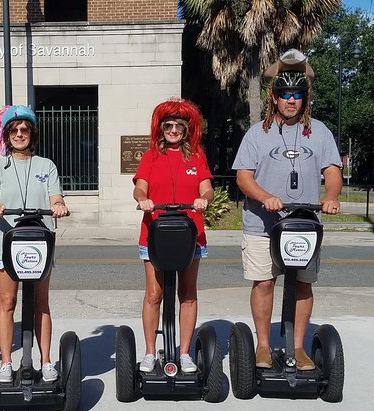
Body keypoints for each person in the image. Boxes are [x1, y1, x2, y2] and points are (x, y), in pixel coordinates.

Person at [231, 49, 342, 370]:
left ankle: (298, 347)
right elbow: (243, 177)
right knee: (264, 282)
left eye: (297, 94)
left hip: (305, 224)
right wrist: (264, 196)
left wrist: (332, 196)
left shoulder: (319, 132)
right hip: (262, 225)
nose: (291, 101)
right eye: (284, 94)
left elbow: (332, 171)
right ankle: (263, 346)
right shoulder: (257, 133)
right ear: (274, 98)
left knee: (303, 284)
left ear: (304, 98)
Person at [0, 105, 69, 383]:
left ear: (32, 133)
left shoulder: (46, 165)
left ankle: (45, 361)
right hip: (7, 243)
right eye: (14, 130)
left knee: (41, 303)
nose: (20, 134)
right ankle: (6, 362)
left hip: (39, 243)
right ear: (7, 135)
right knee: (7, 302)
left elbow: (55, 198)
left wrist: (59, 205)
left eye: (24, 129)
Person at [132, 98, 214, 373]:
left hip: (190, 233)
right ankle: (150, 352)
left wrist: (203, 199)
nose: (174, 130)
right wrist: (143, 199)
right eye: (169, 125)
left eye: (179, 125)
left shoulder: (197, 157)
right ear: (161, 128)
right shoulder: (151, 156)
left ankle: (185, 353)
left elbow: (207, 189)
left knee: (188, 293)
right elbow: (139, 188)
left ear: (187, 129)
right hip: (156, 232)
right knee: (154, 294)